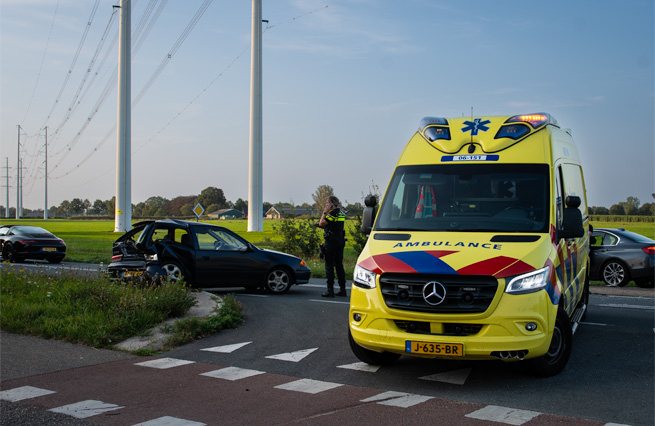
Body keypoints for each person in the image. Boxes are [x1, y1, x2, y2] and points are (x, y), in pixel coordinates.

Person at [314, 195, 346, 297]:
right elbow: (333, 226)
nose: (326, 205)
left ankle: (330, 290)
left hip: (331, 242)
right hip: (340, 240)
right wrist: (320, 225)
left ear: (331, 204)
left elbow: (323, 223)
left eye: (327, 204)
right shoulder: (340, 213)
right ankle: (343, 289)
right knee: (339, 265)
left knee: (329, 266)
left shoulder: (332, 213)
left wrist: (324, 212)